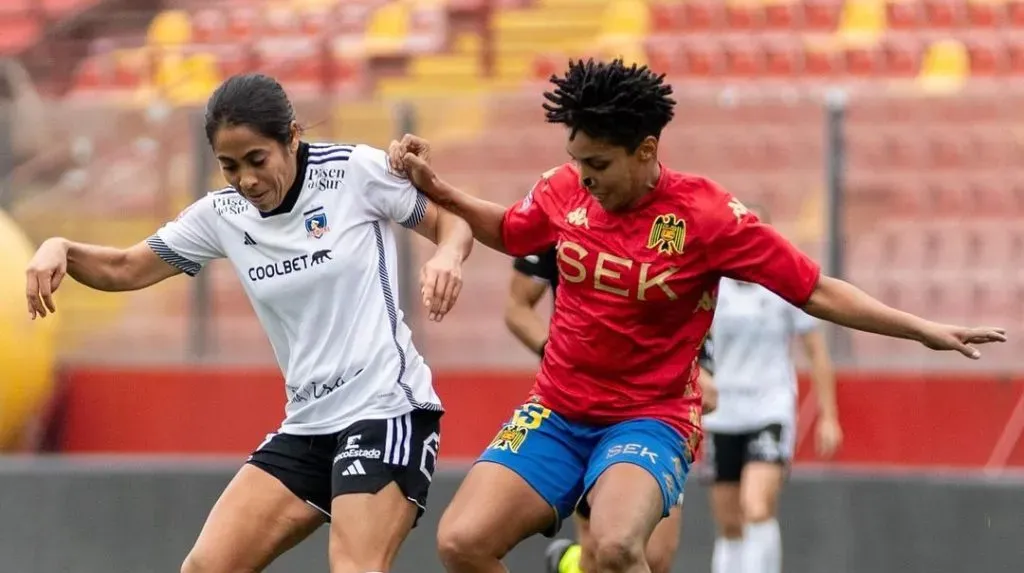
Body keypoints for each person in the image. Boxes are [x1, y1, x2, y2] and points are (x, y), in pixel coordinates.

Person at [388, 58, 1005, 573]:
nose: (584, 177)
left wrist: (923, 329)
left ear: (646, 149)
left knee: (619, 548)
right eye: (576, 160)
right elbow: (512, 230)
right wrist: (439, 188)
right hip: (556, 410)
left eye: (597, 165)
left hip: (650, 417)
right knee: (460, 543)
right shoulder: (562, 189)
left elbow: (814, 290)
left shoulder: (707, 216)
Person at [24, 72, 474, 573]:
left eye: (257, 160)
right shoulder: (222, 215)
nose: (246, 180)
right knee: (205, 567)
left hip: (386, 410)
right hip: (308, 424)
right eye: (229, 166)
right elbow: (125, 268)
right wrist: (59, 247)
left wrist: (448, 257)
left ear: (292, 137)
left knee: (354, 567)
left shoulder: (353, 171)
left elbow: (450, 220)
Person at [504, 246, 717, 573]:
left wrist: (691, 379)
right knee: (604, 553)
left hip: (656, 417)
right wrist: (563, 358)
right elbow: (517, 308)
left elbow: (710, 391)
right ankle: (573, 561)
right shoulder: (562, 212)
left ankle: (567, 562)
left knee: (655, 558)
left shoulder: (684, 231)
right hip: (588, 410)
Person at [700, 203, 841, 573]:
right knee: (729, 521)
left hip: (769, 407)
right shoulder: (713, 285)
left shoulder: (784, 282)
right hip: (722, 413)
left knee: (757, 505)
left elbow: (815, 350)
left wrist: (829, 416)